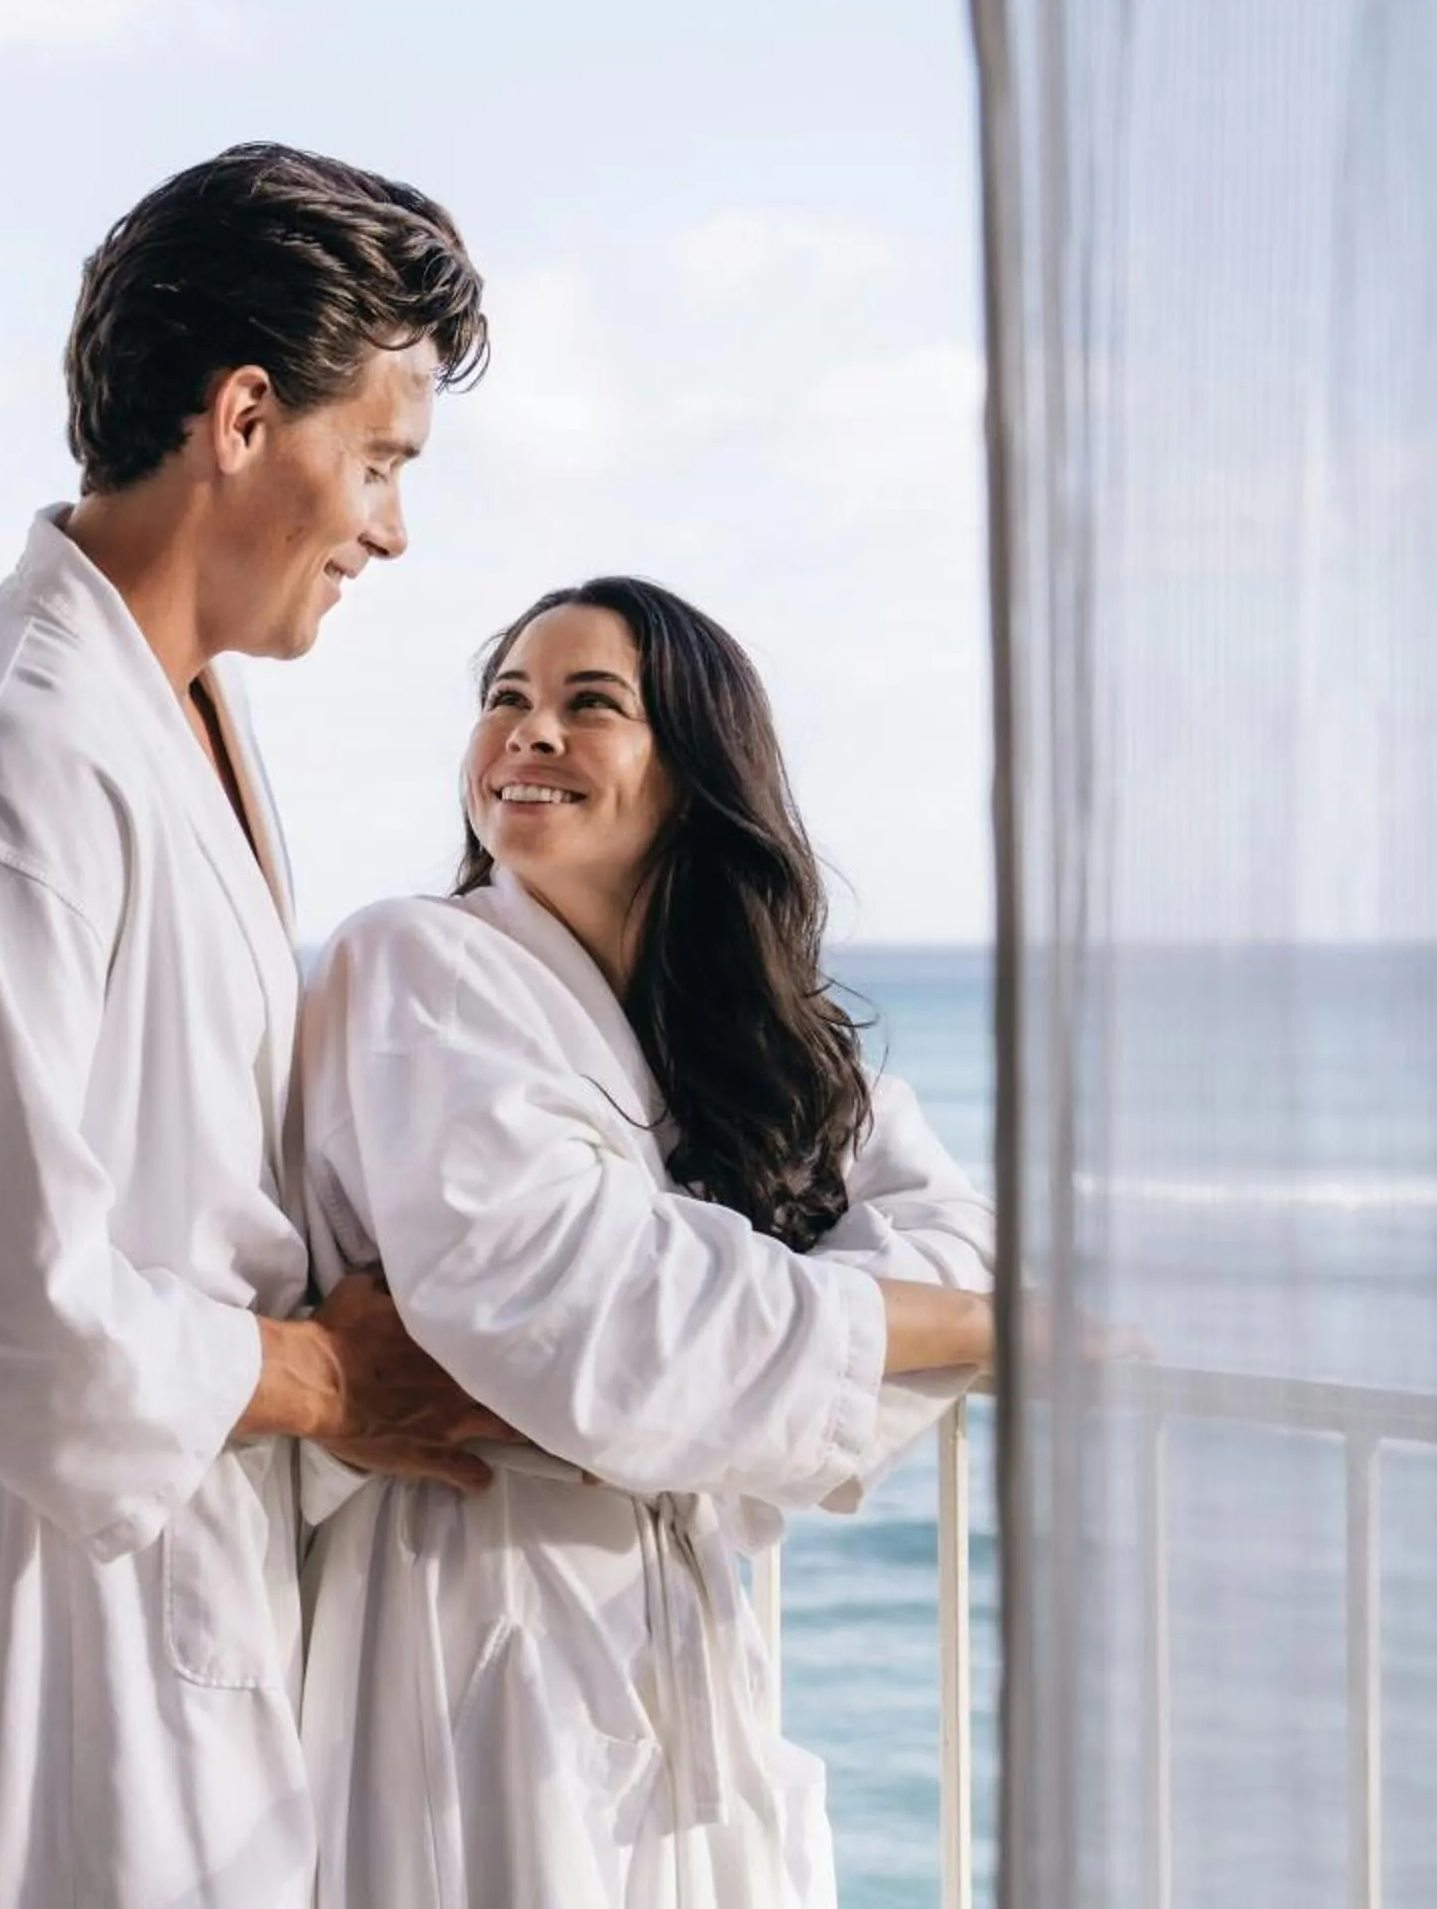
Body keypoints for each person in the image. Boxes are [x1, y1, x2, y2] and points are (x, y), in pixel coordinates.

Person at [0, 144, 497, 1908]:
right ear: (247, 417)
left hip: (172, 1564)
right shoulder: (18, 753)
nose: (394, 529)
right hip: (49, 1612)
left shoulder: (162, 709)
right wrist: (326, 1376)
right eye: (383, 458)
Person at [297, 578, 997, 1908]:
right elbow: (596, 1311)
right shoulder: (417, 966)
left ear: (695, 771)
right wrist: (963, 1334)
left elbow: (955, 1232)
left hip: (672, 1617)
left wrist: (719, 1362)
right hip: (470, 1605)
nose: (528, 732)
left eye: (587, 705)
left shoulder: (750, 1047)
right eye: (505, 699)